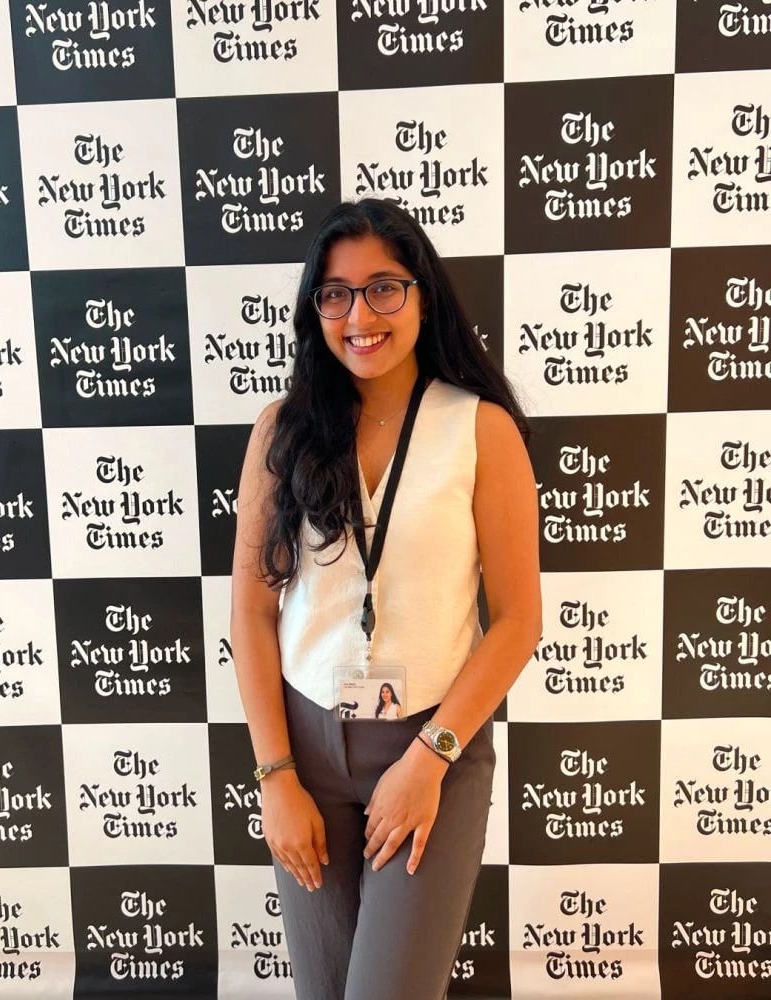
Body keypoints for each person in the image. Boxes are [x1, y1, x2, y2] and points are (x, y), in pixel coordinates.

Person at [230, 198, 541, 1000]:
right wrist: (275, 778)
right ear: (315, 309)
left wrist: (429, 758)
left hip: (430, 745)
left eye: (383, 288)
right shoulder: (281, 431)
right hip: (305, 754)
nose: (358, 314)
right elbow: (252, 615)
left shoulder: (482, 431)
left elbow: (516, 620)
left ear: (423, 295)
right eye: (335, 294)